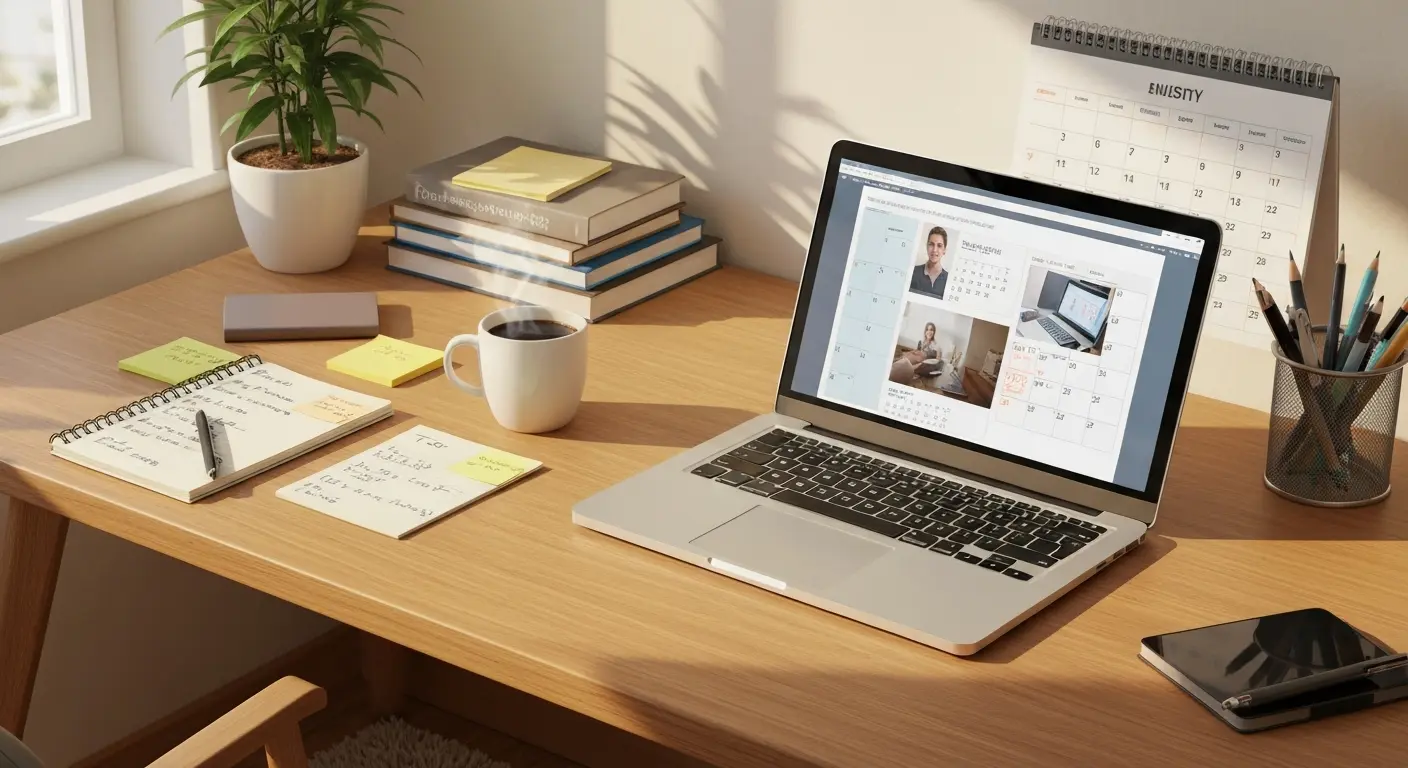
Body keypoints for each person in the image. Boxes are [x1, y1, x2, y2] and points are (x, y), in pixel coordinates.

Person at [910, 226, 949, 298]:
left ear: (944, 250)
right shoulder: (913, 272)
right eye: (931, 244)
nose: (934, 250)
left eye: (939, 246)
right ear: (927, 246)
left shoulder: (948, 280)